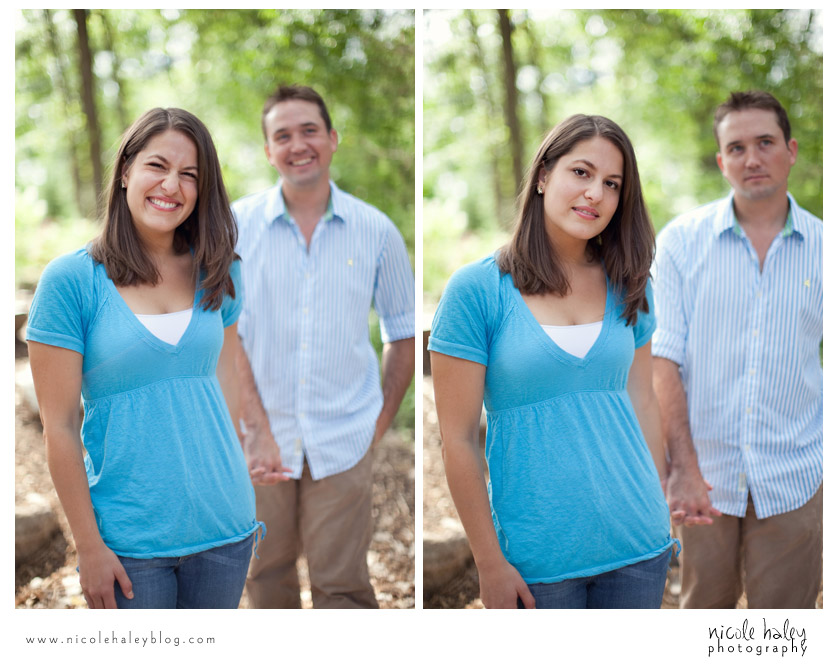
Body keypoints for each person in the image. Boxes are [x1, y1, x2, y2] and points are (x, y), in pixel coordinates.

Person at [429, 114, 677, 609]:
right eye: (581, 173)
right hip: (536, 560)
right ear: (544, 176)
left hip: (638, 545)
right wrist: (489, 562)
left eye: (611, 184)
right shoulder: (477, 291)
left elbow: (643, 402)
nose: (595, 194)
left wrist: (658, 511)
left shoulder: (631, 283)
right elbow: (456, 439)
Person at [26, 108, 261, 609]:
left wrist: (235, 471)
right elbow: (60, 426)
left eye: (190, 174)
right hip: (129, 542)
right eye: (158, 165)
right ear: (127, 170)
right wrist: (88, 546)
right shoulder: (71, 282)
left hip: (225, 526)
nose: (171, 185)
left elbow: (227, 380)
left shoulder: (220, 270)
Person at [232, 85, 414, 609]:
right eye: (282, 135)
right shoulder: (235, 228)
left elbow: (402, 334)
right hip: (258, 441)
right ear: (268, 151)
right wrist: (256, 429)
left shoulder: (376, 231)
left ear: (333, 139)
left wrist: (376, 426)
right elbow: (225, 334)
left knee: (344, 589)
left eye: (309, 130)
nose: (298, 144)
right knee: (265, 579)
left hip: (344, 438)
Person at [651, 90, 822, 608]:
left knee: (785, 632)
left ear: (790, 150)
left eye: (765, 142)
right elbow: (663, 360)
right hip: (705, 479)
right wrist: (681, 468)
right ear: (722, 160)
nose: (753, 158)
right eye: (738, 147)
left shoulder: (826, 248)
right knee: (703, 623)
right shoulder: (681, 242)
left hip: (797, 475)